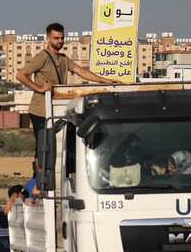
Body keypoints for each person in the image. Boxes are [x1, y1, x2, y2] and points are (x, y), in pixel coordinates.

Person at [17, 22, 118, 159]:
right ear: (48, 38)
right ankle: (40, 178)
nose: (60, 41)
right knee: (43, 150)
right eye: (56, 38)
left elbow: (81, 71)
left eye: (62, 38)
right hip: (41, 111)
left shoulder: (63, 59)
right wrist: (39, 88)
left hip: (56, 110)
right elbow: (21, 75)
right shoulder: (42, 57)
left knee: (57, 148)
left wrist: (104, 80)